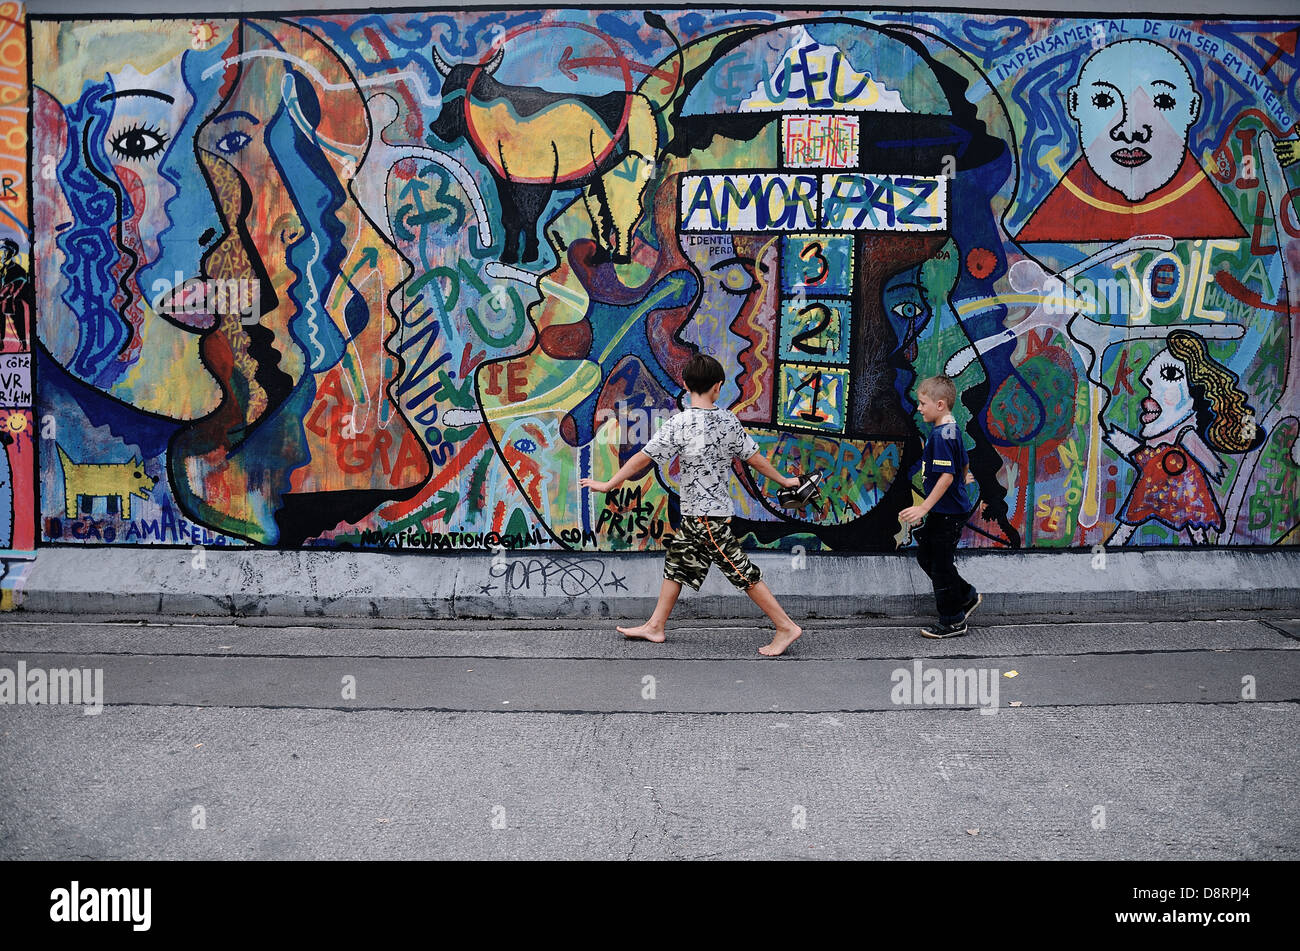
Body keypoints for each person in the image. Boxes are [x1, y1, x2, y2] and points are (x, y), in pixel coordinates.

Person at [579, 353, 805, 656]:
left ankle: (786, 626)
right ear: (719, 386)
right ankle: (655, 626)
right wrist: (785, 481)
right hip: (700, 517)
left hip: (706, 519)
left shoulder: (680, 424)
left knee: (741, 572)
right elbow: (756, 460)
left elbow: (642, 458)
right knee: (677, 565)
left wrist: (608, 484)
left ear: (685, 385)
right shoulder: (728, 422)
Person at [900, 374, 979, 638]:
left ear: (940, 405)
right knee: (927, 556)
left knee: (941, 565)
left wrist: (923, 508)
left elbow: (945, 476)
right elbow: (964, 461)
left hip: (948, 514)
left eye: (923, 403)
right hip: (944, 510)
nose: (919, 408)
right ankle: (966, 595)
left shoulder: (942, 436)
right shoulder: (950, 429)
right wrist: (964, 476)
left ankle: (953, 620)